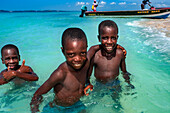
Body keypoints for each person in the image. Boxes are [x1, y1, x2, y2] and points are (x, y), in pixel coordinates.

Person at [30, 28, 99, 112]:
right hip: (58, 108)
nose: (78, 59)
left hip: (77, 105)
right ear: (63, 51)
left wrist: (115, 46)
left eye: (82, 53)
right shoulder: (61, 74)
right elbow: (38, 93)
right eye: (71, 54)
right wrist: (35, 109)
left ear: (86, 48)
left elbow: (93, 49)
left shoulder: (86, 62)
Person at [86, 20, 134, 89]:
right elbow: (88, 75)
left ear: (117, 38)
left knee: (117, 99)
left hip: (116, 84)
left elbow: (124, 72)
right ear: (99, 38)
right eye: (105, 38)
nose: (109, 42)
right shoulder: (95, 56)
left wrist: (128, 83)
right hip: (99, 84)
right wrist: (88, 84)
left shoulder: (120, 54)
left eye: (113, 38)